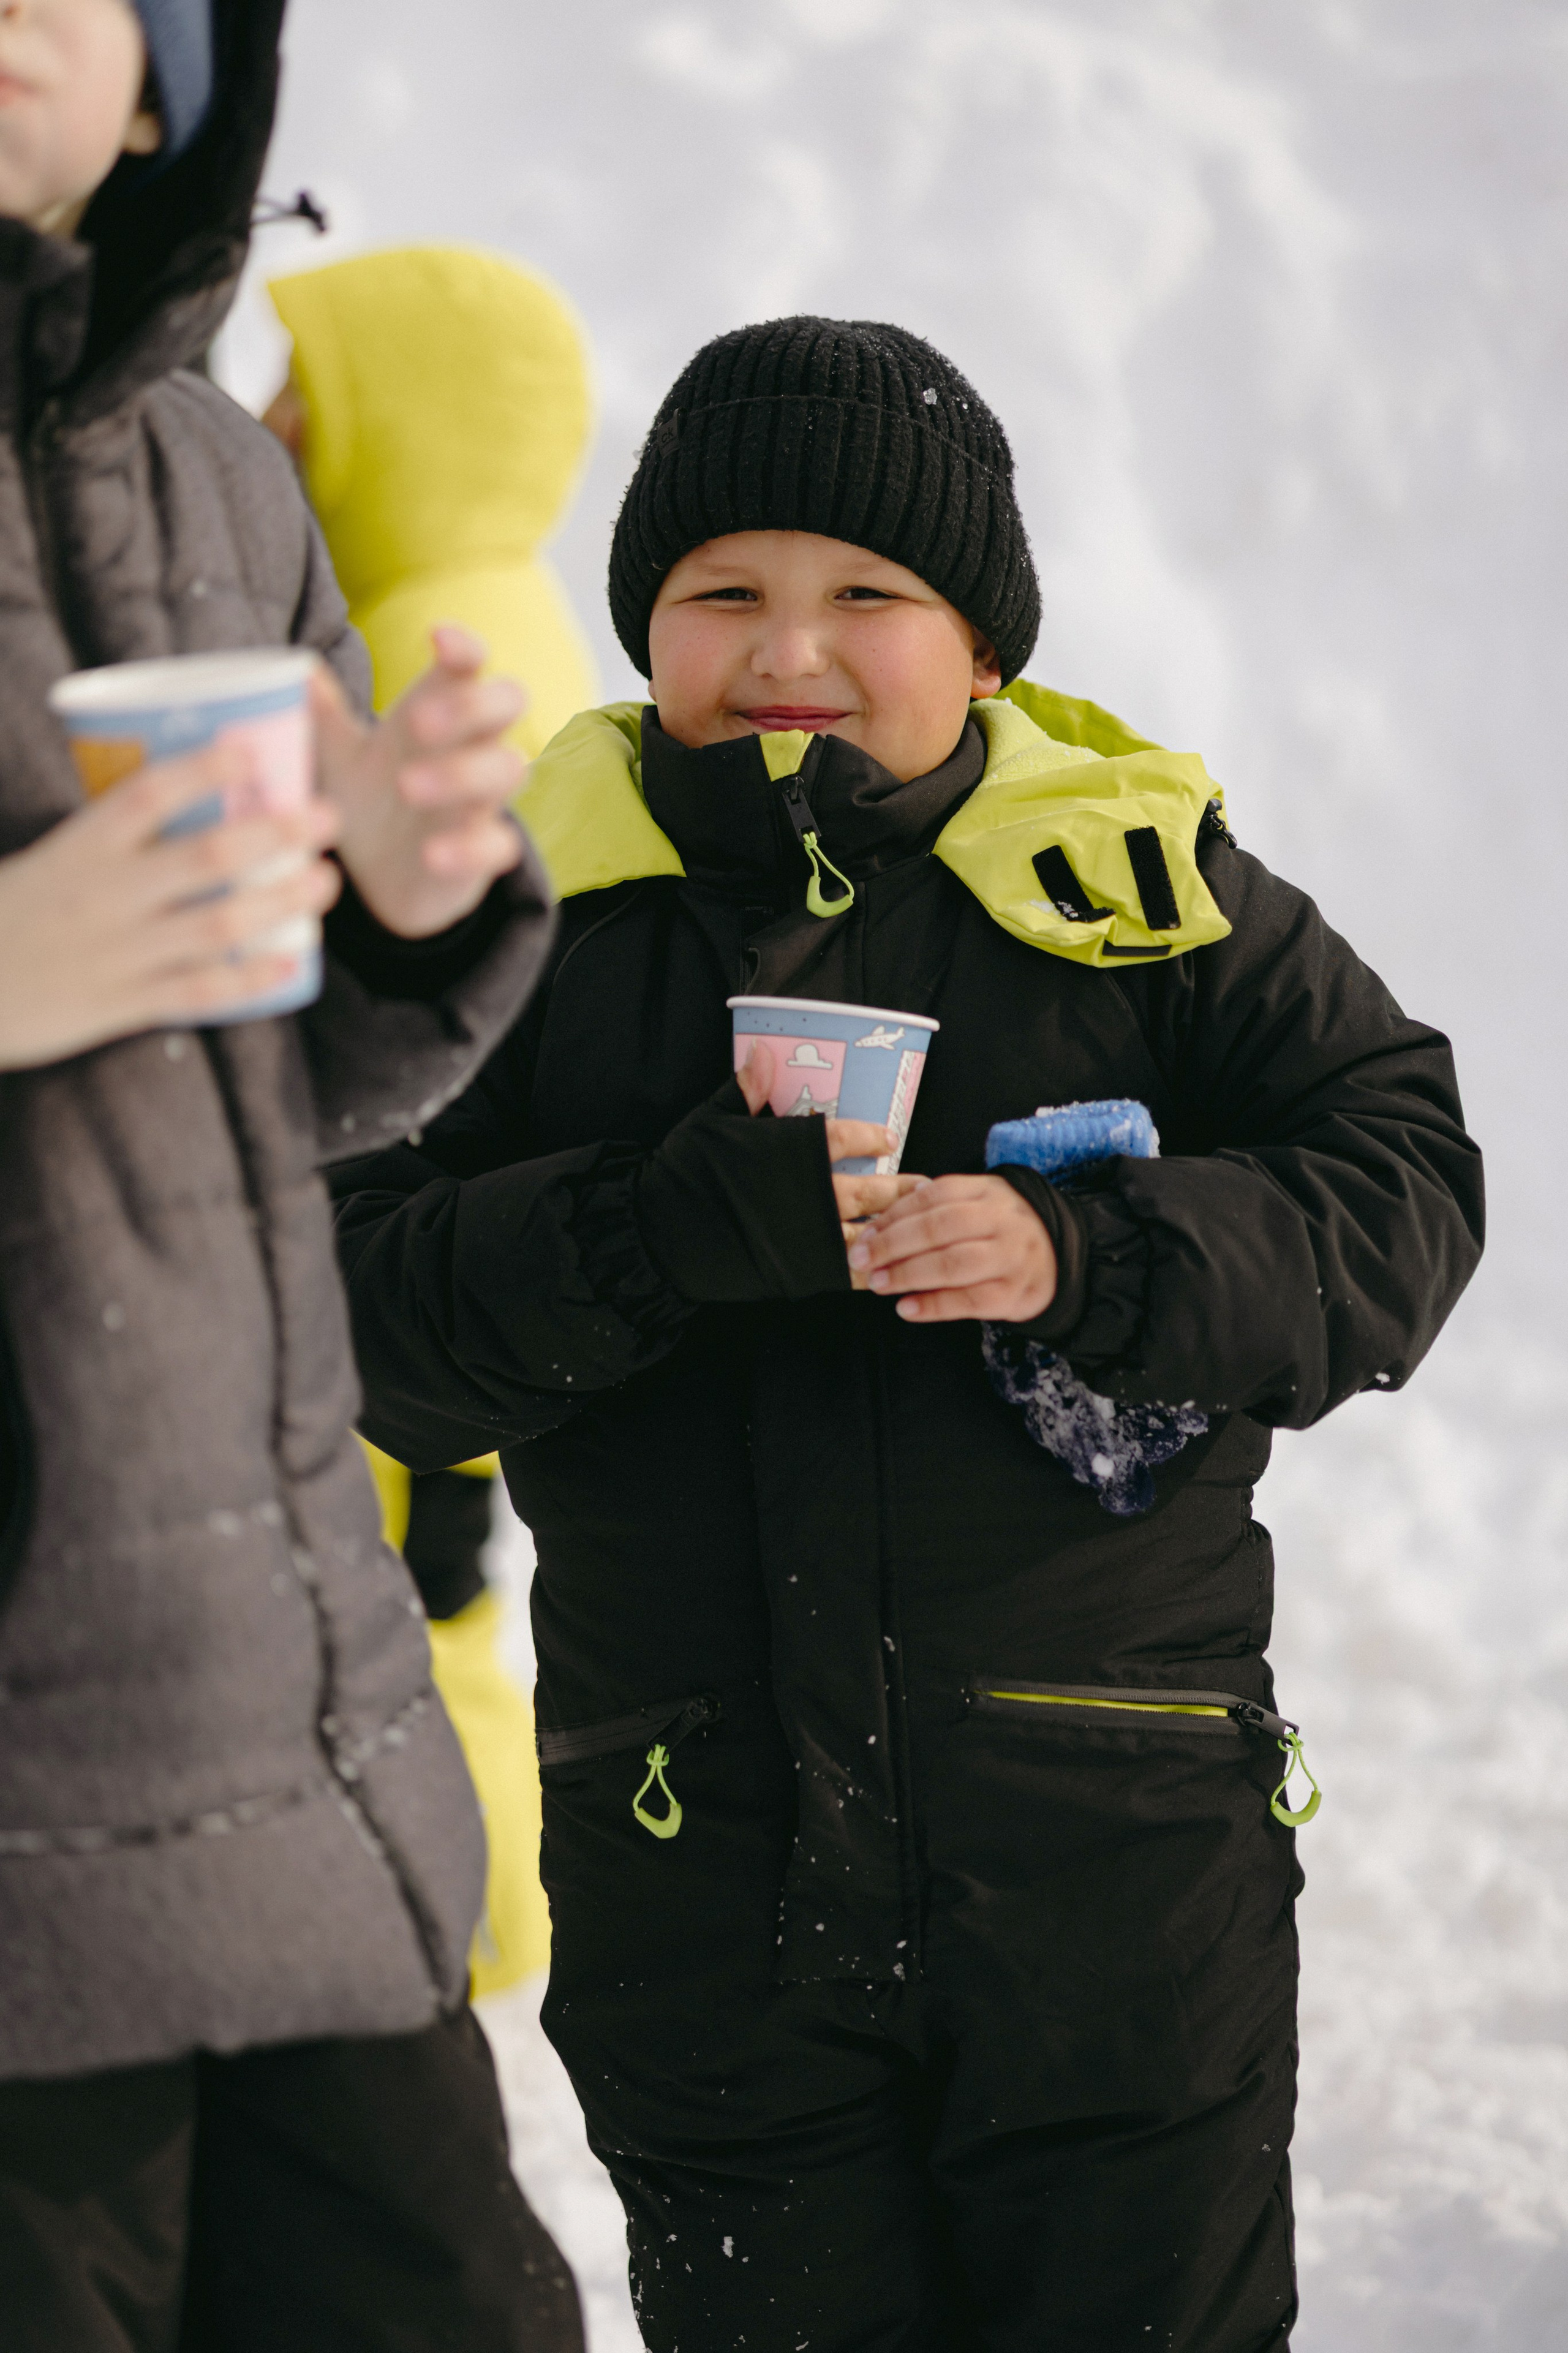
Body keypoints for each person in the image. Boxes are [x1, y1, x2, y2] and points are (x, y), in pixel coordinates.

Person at [330, 316, 1484, 2352]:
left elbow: (1403, 1181)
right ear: (644, 629)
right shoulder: (518, 921)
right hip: (700, 1872)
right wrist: (652, 1230)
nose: (791, 645)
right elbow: (348, 1304)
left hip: (1115, 1867)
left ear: (988, 648)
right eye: (723, 594)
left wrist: (1087, 1252)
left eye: (869, 592)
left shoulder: (1138, 893)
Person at [0, 3, 581, 2346]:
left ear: (170, 84)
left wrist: (406, 892)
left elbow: (288, 1084)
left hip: (283, 1740)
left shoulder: (224, 486)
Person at [265, 241, 605, 1996]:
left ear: (400, 427)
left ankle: (459, 1912)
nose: (269, 419)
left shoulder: (414, 644)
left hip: (416, 1187)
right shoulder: (494, 605)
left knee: (416, 1574)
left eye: (307, 394)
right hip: (481, 1195)